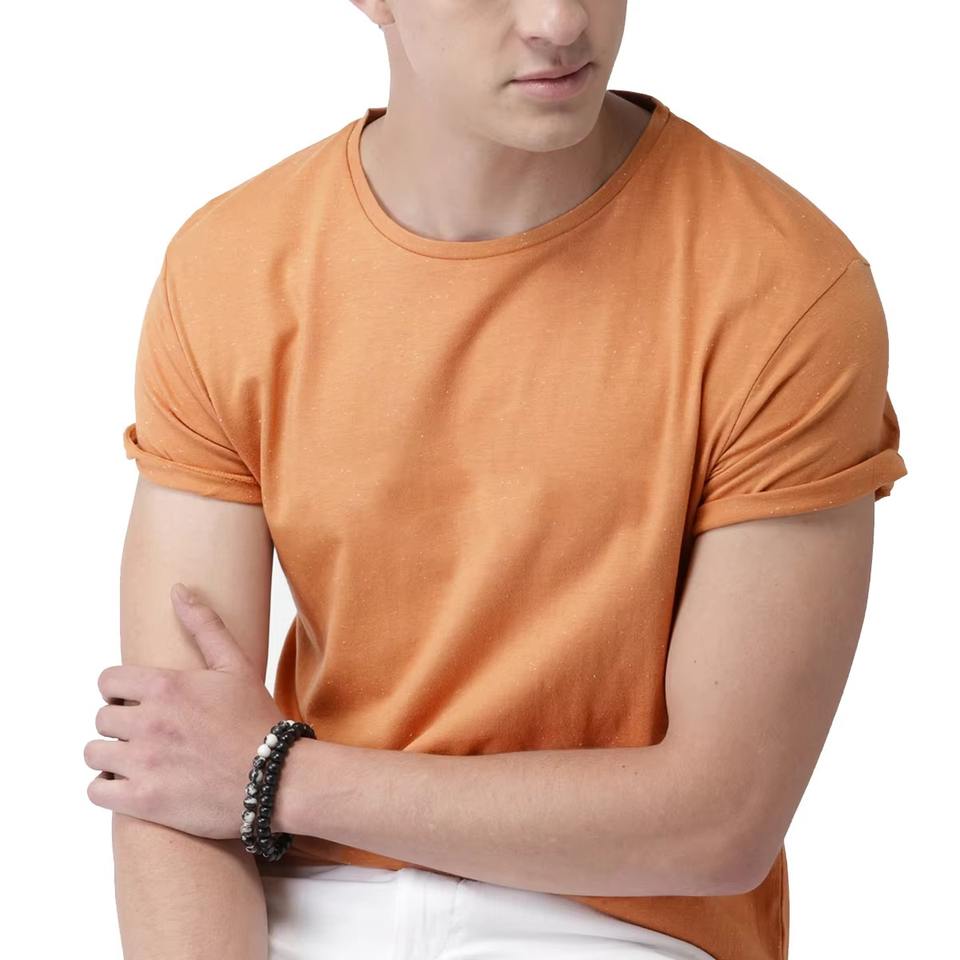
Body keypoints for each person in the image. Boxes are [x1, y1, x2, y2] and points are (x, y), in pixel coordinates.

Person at [114, 2, 908, 959]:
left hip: (613, 926)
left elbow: (720, 820)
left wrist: (279, 778)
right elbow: (169, 768)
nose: (561, 21)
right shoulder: (231, 268)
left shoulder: (784, 287)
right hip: (298, 908)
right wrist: (244, 783)